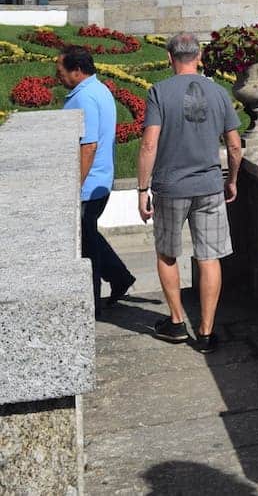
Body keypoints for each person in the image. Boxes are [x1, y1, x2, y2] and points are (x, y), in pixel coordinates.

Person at [137, 32, 243, 352]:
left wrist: (142, 189)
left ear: (169, 58)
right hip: (210, 185)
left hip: (170, 187)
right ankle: (207, 332)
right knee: (209, 257)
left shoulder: (158, 92)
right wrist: (232, 179)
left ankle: (176, 322)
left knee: (167, 253)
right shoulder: (219, 93)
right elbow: (236, 147)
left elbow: (149, 144)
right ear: (199, 57)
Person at [58, 46, 135, 317]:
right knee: (89, 234)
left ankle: (92, 303)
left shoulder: (85, 98)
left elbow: (88, 146)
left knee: (87, 245)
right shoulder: (98, 89)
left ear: (77, 71)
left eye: (62, 70)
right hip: (101, 178)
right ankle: (120, 277)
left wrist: (74, 186)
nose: (59, 76)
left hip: (88, 184)